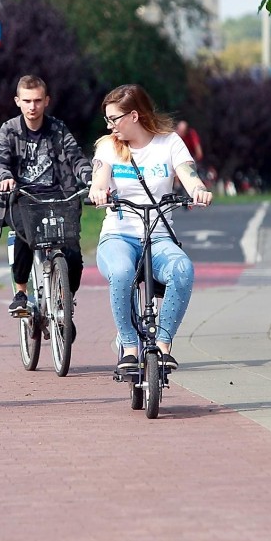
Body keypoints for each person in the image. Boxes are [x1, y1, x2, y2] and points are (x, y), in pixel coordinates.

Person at [88, 84, 213, 373]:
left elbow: (189, 175)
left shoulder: (169, 143)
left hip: (157, 234)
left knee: (182, 270)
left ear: (134, 115)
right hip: (118, 235)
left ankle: (164, 344)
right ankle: (129, 346)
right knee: (121, 273)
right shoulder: (108, 146)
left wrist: (198, 190)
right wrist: (98, 191)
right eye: (107, 119)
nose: (110, 125)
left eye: (114, 119)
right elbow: (100, 178)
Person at [0, 75, 92, 314]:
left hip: (58, 197)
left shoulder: (57, 129)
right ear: (18, 101)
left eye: (37, 100)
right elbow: (0, 158)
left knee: (74, 256)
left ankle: (64, 302)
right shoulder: (9, 129)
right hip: (21, 196)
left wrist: (91, 178)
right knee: (26, 233)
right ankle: (21, 293)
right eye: (27, 101)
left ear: (47, 101)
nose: (32, 106)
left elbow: (76, 157)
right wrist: (5, 177)